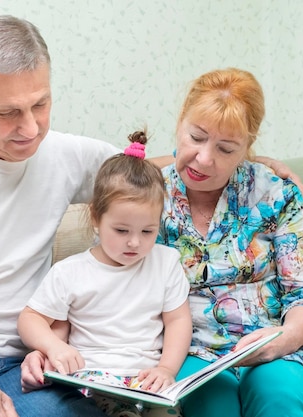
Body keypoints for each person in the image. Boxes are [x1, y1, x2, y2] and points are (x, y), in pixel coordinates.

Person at [0, 12, 303, 417]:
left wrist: (258, 166)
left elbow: (140, 173)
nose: (30, 128)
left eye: (40, 104)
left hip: (23, 362)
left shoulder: (64, 154)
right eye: (8, 112)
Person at [157, 67, 303, 417]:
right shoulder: (147, 196)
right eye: (196, 137)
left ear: (247, 147)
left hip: (276, 347)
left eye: (226, 149)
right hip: (187, 353)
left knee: (277, 396)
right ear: (180, 122)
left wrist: (281, 341)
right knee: (213, 405)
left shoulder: (276, 194)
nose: (205, 159)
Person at [18, 131, 192, 417]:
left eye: (148, 231)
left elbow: (178, 321)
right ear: (96, 217)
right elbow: (30, 318)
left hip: (147, 383)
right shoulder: (71, 272)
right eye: (121, 231)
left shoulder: (166, 263)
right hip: (91, 382)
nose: (134, 242)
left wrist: (166, 369)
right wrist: (53, 347)